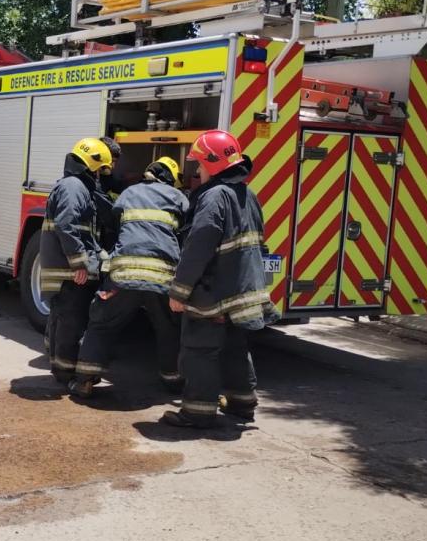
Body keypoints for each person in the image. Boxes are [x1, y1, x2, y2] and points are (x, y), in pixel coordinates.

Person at [163, 130, 279, 428]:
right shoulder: (247, 194)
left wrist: (179, 290)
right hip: (241, 291)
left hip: (213, 291)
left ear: (212, 163)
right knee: (234, 347)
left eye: (199, 164)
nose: (197, 171)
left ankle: (196, 412)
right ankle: (242, 404)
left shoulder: (214, 196)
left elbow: (198, 247)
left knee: (200, 349)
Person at [72, 157, 189, 398]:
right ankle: (173, 380)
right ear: (170, 178)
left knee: (102, 322)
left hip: (123, 275)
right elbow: (186, 231)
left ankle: (84, 379)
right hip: (161, 277)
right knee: (168, 328)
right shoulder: (178, 198)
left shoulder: (128, 194)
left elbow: (114, 223)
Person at [41, 137, 112, 387]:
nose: (102, 176)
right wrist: (80, 263)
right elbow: (66, 225)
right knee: (71, 323)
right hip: (69, 273)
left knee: (63, 321)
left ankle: (62, 370)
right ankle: (65, 375)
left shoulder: (75, 185)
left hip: (66, 270)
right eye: (101, 170)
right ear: (92, 165)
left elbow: (81, 232)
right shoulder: (74, 187)